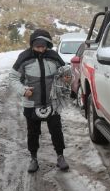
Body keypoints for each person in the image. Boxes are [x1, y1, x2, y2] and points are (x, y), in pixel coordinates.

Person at [9, 29, 70, 173]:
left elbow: (64, 73)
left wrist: (67, 78)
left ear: (48, 44)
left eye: (44, 46)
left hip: (52, 102)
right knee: (33, 132)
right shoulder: (24, 57)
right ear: (32, 45)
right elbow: (13, 78)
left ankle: (60, 156)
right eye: (38, 46)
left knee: (56, 130)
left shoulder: (54, 56)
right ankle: (33, 158)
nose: (41, 49)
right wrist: (23, 91)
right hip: (31, 103)